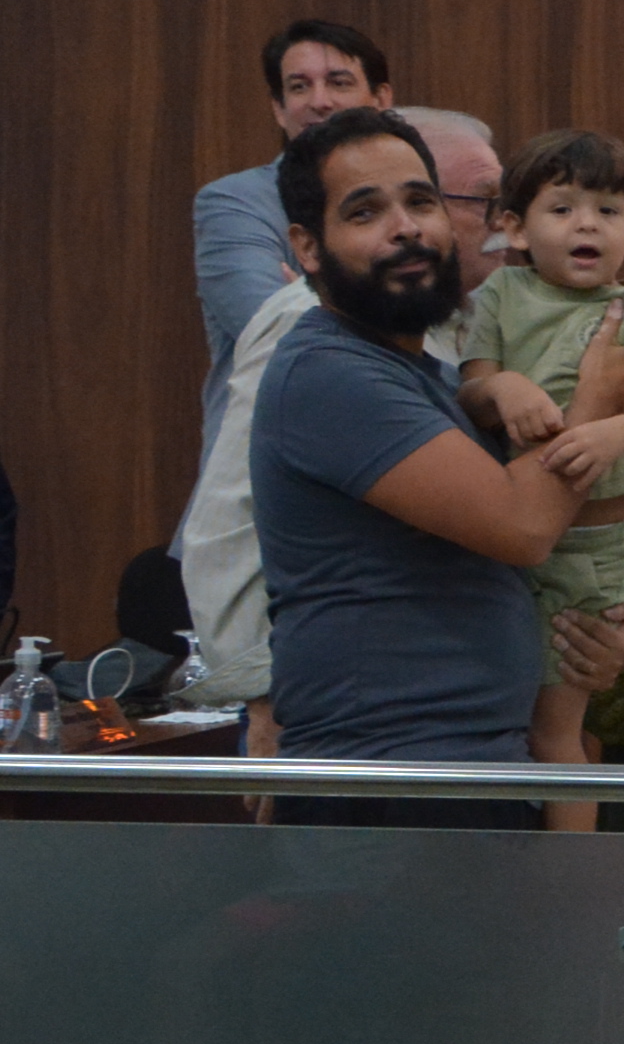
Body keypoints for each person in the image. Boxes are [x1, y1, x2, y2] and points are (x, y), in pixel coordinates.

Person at [247, 110, 624, 810]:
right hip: (387, 788)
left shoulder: (433, 377)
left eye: (421, 202)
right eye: (365, 212)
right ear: (307, 247)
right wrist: (598, 393)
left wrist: (587, 644)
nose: (407, 228)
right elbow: (522, 525)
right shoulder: (329, 372)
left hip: (474, 772)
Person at [186, 106, 486, 754]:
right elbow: (228, 522)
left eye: (423, 201)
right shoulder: (307, 327)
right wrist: (265, 694)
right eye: (481, 200)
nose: (502, 223)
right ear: (309, 244)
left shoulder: (463, 319)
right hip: (352, 739)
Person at [441, 130, 624, 820]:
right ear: (514, 229)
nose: (587, 224)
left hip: (599, 550)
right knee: (508, 723)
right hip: (511, 542)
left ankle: (575, 872)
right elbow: (470, 392)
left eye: (608, 211)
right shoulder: (501, 294)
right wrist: (505, 390)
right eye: (562, 209)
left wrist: (610, 432)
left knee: (557, 732)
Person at [194, 18, 392, 474]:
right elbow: (276, 330)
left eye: (339, 82)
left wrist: (311, 302)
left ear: (381, 99)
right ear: (279, 110)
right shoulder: (236, 202)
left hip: (390, 464)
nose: (319, 101)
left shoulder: (416, 201)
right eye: (299, 87)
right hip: (264, 477)